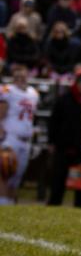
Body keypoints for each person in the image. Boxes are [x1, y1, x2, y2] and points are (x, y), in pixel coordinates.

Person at [47, 69, 81, 205]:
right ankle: (54, 204)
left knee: (80, 181)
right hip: (63, 146)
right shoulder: (63, 99)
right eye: (80, 82)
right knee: (58, 179)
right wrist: (51, 141)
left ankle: (79, 207)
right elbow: (53, 121)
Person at [1, 64, 39, 197]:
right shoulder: (8, 91)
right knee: (6, 172)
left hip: (26, 141)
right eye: (17, 77)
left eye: (23, 76)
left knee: (17, 177)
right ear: (13, 78)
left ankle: (10, 204)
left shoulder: (33, 93)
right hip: (11, 139)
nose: (20, 79)